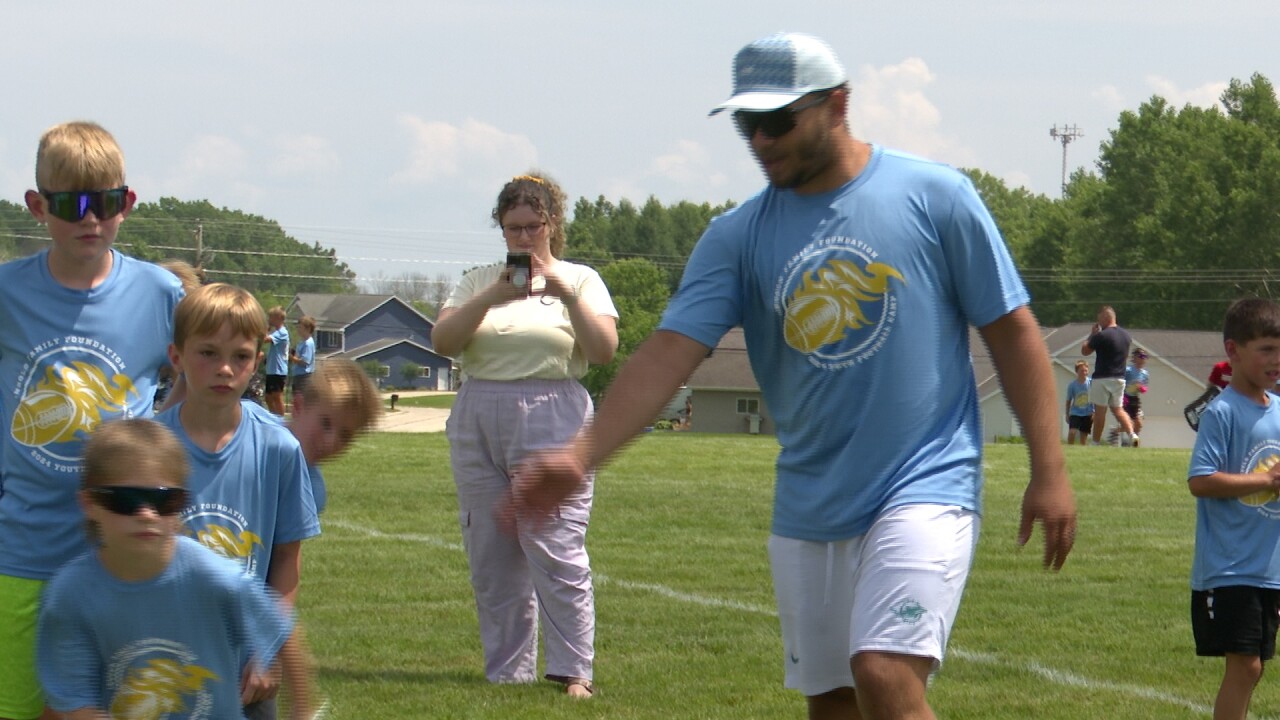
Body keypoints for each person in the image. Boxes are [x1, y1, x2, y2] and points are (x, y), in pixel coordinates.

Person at [509, 33, 1076, 720]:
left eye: (779, 121)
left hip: (925, 483)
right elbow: (667, 352)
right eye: (748, 125)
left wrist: (1049, 470)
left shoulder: (936, 196)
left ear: (838, 103)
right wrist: (581, 454)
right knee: (832, 703)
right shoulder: (737, 235)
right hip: (809, 502)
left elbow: (1011, 329)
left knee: (885, 675)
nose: (762, 140)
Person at [0, 121, 184, 720]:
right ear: (36, 207)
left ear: (127, 204)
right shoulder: (8, 291)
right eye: (71, 204)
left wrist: (163, 438)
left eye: (106, 202)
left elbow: (204, 369)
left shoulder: (159, 293)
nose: (90, 219)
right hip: (23, 549)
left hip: (121, 550)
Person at [431, 172, 619, 698]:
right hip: (478, 411)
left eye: (532, 226)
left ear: (552, 224)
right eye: (512, 227)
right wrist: (492, 296)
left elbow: (603, 350)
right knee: (491, 552)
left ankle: (573, 670)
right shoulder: (477, 281)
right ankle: (508, 672)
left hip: (552, 409)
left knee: (555, 541)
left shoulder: (580, 279)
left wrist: (563, 295)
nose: (522, 237)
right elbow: (444, 340)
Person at [35, 419, 319, 720]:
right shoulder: (70, 596)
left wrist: (301, 709)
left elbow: (279, 630)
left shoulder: (214, 576)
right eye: (126, 500)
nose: (146, 514)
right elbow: (77, 701)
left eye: (164, 500)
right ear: (89, 503)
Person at [154, 283, 320, 719]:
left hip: (243, 671)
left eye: (240, 356)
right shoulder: (148, 447)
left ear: (257, 361)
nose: (224, 369)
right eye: (207, 353)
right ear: (177, 357)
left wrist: (266, 650)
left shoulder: (277, 449)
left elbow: (286, 560)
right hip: (156, 660)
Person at [1187, 297, 1280, 720]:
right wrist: (1265, 480)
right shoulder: (1221, 412)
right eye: (1266, 349)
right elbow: (1200, 480)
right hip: (1230, 567)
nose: (1276, 360)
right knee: (1245, 667)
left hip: (1269, 567)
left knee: (1255, 668)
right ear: (1233, 351)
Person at [286, 358, 381, 514]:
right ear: (298, 406)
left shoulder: (311, 494)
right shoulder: (248, 431)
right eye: (325, 423)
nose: (331, 442)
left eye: (345, 435)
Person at [1081, 305, 1136, 445]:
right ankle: (1132, 434)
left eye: (1099, 319)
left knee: (1100, 411)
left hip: (1102, 378)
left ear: (1105, 317)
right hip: (1119, 378)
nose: (1099, 322)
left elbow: (1085, 351)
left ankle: (1095, 442)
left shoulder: (1102, 335)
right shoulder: (1126, 336)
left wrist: (1092, 334)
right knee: (1118, 409)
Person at [263, 306, 290, 416]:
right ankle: (274, 417)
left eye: (271, 317)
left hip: (278, 370)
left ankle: (281, 420)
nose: (269, 319)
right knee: (268, 397)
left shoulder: (282, 333)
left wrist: (265, 328)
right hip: (272, 369)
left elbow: (265, 339)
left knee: (277, 396)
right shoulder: (277, 332)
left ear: (278, 318)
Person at [1121, 348, 1150, 446]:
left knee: (1138, 423)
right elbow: (1121, 383)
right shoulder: (1128, 370)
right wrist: (1122, 397)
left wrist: (1141, 388)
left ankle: (1133, 443)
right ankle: (1122, 436)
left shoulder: (1145, 373)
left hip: (1135, 399)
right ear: (1135, 358)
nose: (1143, 359)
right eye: (1141, 356)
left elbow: (1145, 388)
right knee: (1128, 422)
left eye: (1145, 357)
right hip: (1125, 398)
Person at [1065, 360, 1094, 445]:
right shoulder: (1072, 385)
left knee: (1083, 436)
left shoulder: (1091, 383)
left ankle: (1082, 451)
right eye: (1082, 371)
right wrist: (1067, 414)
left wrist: (1094, 412)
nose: (1084, 372)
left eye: (1086, 370)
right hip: (1075, 412)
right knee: (1072, 432)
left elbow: (1096, 397)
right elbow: (1068, 400)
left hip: (1088, 413)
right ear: (1077, 371)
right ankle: (1070, 447)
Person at [289, 316, 317, 399]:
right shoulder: (302, 342)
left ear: (308, 329)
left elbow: (305, 362)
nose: (298, 329)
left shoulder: (308, 343)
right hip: (298, 375)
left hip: (304, 376)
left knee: (301, 399)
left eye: (300, 327)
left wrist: (291, 358)